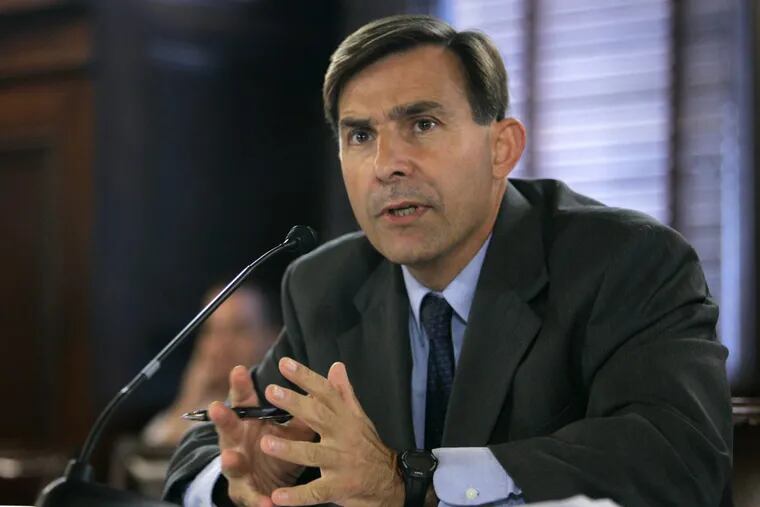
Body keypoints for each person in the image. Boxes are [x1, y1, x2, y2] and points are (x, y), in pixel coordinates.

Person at [163, 14, 732, 507]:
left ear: (502, 148)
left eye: (422, 124)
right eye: (360, 135)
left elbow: (680, 459)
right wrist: (243, 476)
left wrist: (415, 481)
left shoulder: (627, 262)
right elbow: (218, 441)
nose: (387, 165)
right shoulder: (326, 285)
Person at [143, 284, 279, 448]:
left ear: (272, 338)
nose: (222, 344)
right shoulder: (192, 410)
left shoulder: (283, 412)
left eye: (238, 329)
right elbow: (151, 456)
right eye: (212, 330)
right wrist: (189, 399)